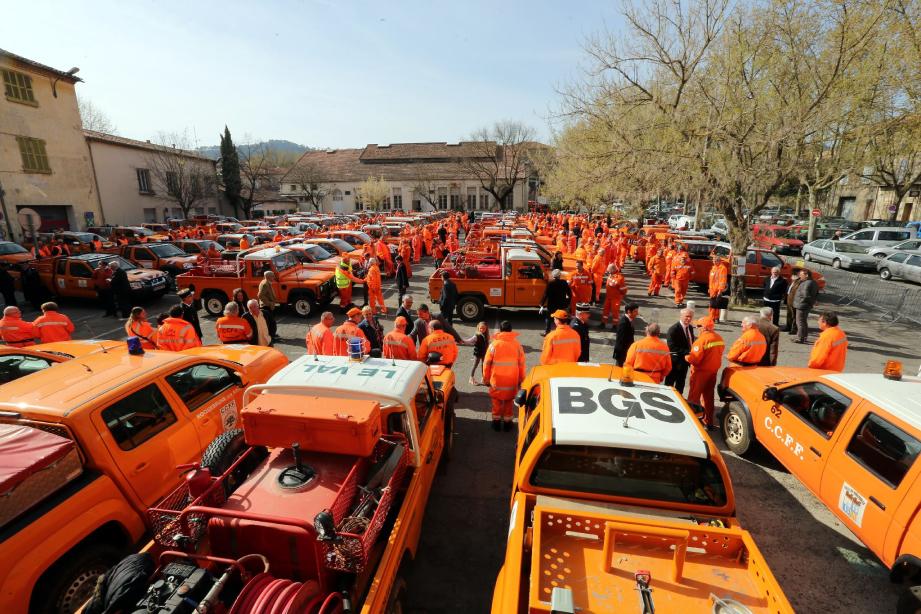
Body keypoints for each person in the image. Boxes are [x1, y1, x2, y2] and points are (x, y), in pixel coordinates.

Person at [483, 320, 526, 432]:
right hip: (511, 380)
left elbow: (486, 364)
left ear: (501, 330)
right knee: (508, 402)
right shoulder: (517, 345)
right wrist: (522, 379)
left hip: (496, 379)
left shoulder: (494, 344)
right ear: (511, 331)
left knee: (496, 401)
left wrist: (486, 379)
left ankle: (496, 423)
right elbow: (521, 364)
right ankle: (508, 423)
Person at [685, 316, 725, 429]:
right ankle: (708, 422)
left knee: (694, 398)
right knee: (708, 397)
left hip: (700, 372)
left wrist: (686, 357)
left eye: (698, 326)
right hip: (713, 372)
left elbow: (695, 359)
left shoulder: (701, 340)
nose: (697, 328)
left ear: (704, 328)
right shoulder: (719, 338)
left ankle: (692, 424)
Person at [664, 308, 695, 394]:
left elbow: (691, 342)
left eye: (691, 317)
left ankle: (679, 400)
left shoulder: (690, 328)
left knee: (680, 384)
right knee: (669, 384)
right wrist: (688, 352)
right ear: (681, 316)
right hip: (675, 362)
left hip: (685, 362)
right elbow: (672, 347)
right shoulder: (673, 329)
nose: (689, 319)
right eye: (687, 316)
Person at [539, 269, 572, 335]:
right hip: (561, 304)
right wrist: (567, 302)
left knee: (548, 318)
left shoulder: (550, 283)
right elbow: (569, 294)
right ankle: (562, 332)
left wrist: (542, 305)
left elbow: (546, 295)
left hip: (552, 305)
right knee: (561, 318)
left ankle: (547, 332)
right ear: (560, 275)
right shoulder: (564, 283)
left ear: (553, 275)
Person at [793, 269, 819, 344]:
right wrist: (813, 302)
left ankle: (800, 338)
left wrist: (809, 302)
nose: (800, 277)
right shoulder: (814, 282)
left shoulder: (807, 283)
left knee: (800, 322)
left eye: (801, 275)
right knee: (803, 322)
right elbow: (816, 294)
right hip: (806, 305)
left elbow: (805, 295)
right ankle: (804, 337)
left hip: (802, 305)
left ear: (806, 275)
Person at [600, 265, 628, 329]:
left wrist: (620, 296)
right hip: (608, 297)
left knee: (615, 312)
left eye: (608, 270)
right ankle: (603, 323)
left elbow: (624, 289)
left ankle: (615, 325)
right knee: (605, 310)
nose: (607, 271)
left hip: (615, 298)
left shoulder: (620, 278)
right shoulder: (611, 275)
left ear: (613, 270)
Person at [258, 271, 279, 340]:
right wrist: (269, 303)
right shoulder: (265, 284)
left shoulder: (267, 283)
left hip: (268, 305)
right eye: (272, 276)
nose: (274, 277)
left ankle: (272, 334)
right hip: (266, 306)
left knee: (271, 322)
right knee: (270, 322)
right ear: (267, 277)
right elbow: (260, 295)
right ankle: (271, 336)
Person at [707, 255, 729, 323]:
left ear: (718, 261)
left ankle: (714, 318)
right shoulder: (714, 268)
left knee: (715, 305)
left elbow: (723, 280)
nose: (713, 261)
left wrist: (720, 290)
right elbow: (711, 280)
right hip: (712, 289)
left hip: (717, 289)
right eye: (713, 260)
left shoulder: (722, 268)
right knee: (713, 304)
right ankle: (713, 317)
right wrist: (709, 288)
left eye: (714, 260)